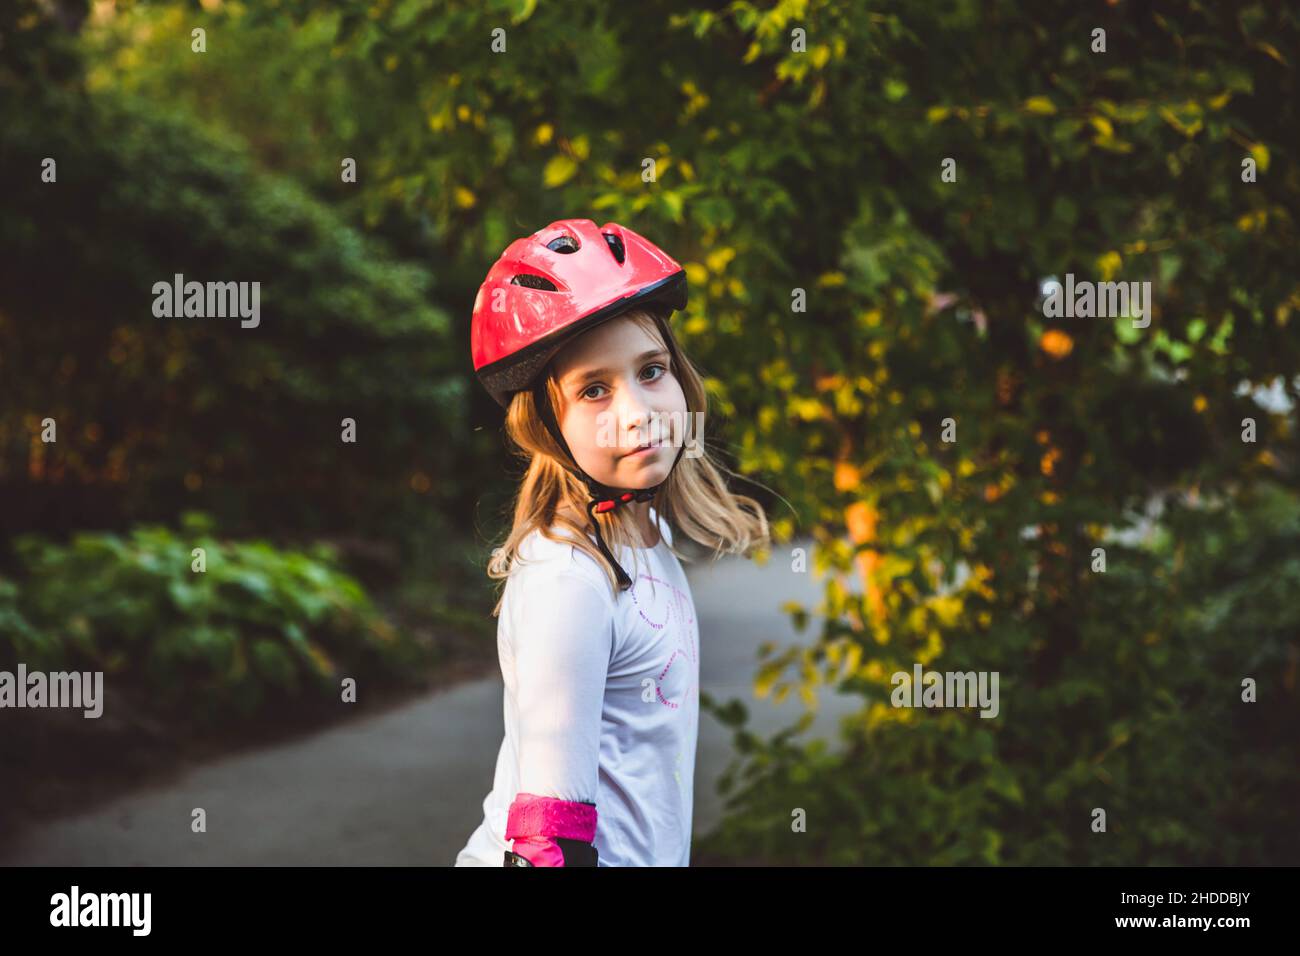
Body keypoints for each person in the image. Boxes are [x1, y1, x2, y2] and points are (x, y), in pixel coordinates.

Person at [453, 218, 770, 867]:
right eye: (594, 389)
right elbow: (547, 841)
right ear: (547, 423)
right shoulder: (569, 577)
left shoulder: (643, 533)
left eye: (651, 371)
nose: (637, 410)